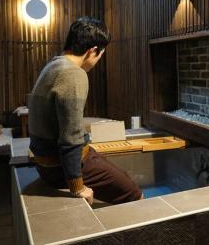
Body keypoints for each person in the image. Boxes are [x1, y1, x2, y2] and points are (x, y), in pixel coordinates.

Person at [28, 16, 142, 205]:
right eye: (100, 55)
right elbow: (71, 136)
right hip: (60, 167)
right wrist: (77, 186)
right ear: (93, 51)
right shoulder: (74, 74)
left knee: (120, 175)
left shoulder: (53, 65)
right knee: (135, 195)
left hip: (45, 163)